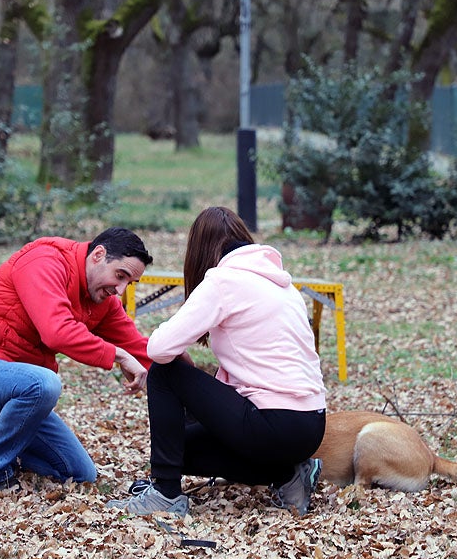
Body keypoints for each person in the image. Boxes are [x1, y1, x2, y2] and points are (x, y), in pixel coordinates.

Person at [107, 206, 327, 517]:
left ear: (199, 250)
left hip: (272, 421)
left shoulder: (223, 280)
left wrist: (177, 355)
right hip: (311, 425)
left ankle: (165, 495)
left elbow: (158, 348)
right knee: (178, 448)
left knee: (164, 373)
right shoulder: (281, 284)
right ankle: (290, 475)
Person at [0, 227, 154, 491]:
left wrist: (184, 371)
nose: (121, 290)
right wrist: (118, 355)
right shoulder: (44, 261)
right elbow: (57, 331)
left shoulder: (101, 298)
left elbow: (138, 347)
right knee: (45, 383)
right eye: (120, 276)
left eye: (129, 283)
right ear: (98, 255)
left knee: (77, 472)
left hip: (17, 394)